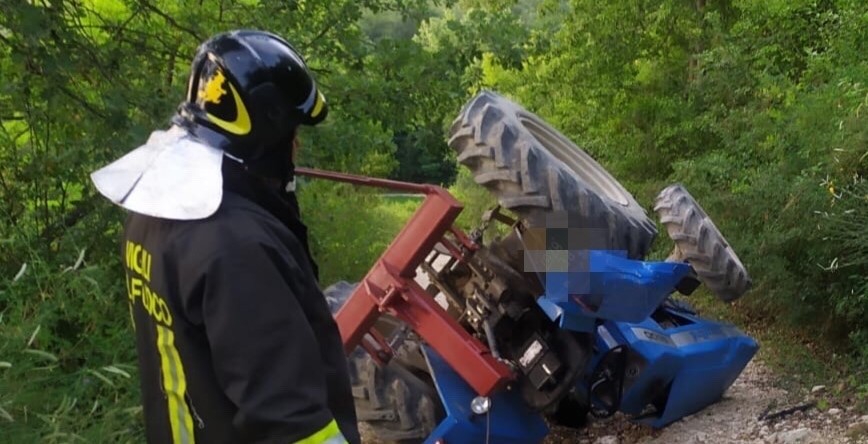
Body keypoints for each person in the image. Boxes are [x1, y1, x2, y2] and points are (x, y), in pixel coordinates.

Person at [91, 30, 360, 444]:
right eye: (293, 132)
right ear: (268, 135)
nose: (298, 147)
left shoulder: (152, 213)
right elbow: (290, 421)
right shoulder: (237, 248)